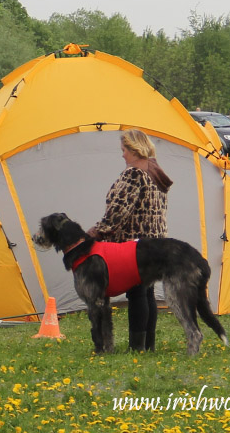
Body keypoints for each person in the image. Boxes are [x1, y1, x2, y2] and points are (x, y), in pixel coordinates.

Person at [87, 129, 173, 352]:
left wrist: (96, 232)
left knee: (136, 292)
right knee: (147, 292)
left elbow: (118, 211)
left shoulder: (134, 173)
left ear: (134, 150)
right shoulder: (155, 171)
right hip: (156, 242)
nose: (122, 155)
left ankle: (137, 347)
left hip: (134, 243)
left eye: (124, 150)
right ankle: (148, 344)